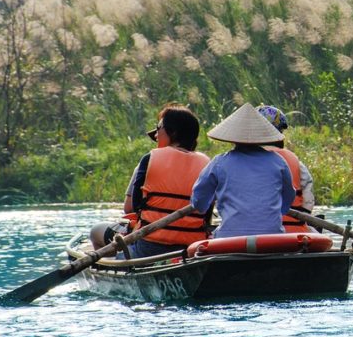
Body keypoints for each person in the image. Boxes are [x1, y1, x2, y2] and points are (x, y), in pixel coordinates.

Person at [113, 104, 211, 258]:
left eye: (158, 128)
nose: (156, 135)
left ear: (172, 132)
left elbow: (135, 206)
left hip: (149, 247)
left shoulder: (150, 158)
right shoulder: (207, 164)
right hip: (191, 248)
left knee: (96, 233)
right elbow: (207, 213)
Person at [191, 103, 296, 239]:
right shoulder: (278, 162)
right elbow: (288, 198)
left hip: (230, 238)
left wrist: (206, 204)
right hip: (273, 237)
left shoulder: (219, 163)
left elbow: (199, 202)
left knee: (213, 236)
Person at [256, 104, 316, 233]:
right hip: (295, 232)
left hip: (255, 232)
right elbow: (308, 201)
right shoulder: (296, 162)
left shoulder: (243, 160)